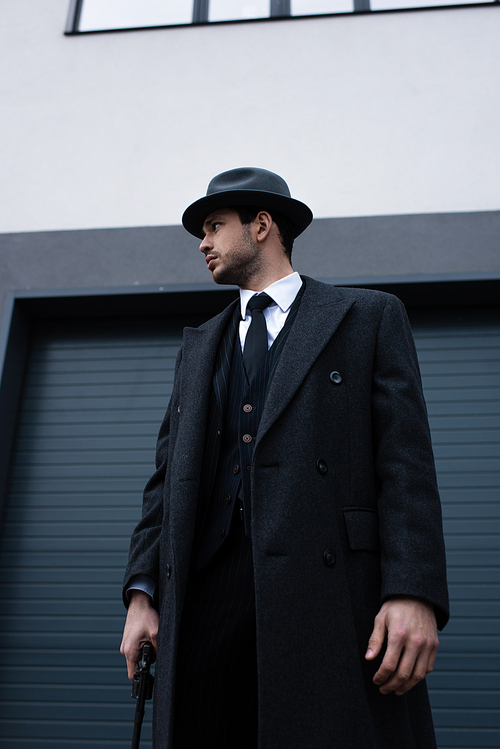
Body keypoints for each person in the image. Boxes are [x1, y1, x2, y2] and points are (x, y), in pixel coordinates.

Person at [120, 167, 449, 749]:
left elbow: (405, 467)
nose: (203, 242)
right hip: (205, 595)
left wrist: (412, 592)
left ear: (263, 226)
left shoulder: (367, 317)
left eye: (216, 226)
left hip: (326, 593)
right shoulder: (198, 347)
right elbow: (166, 481)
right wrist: (143, 594)